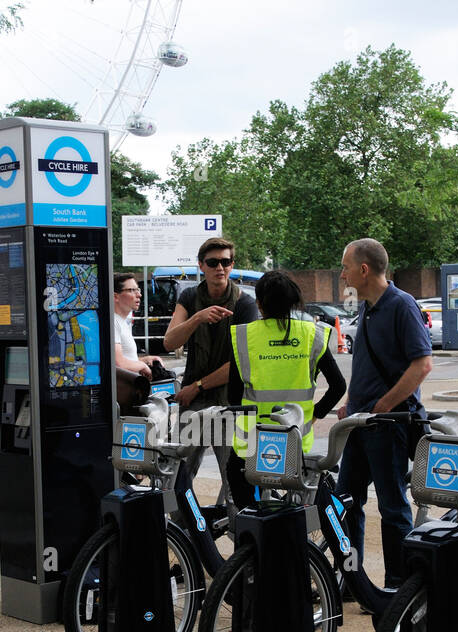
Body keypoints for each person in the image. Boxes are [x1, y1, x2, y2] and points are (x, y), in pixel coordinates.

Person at [334, 238, 432, 588]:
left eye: (346, 267)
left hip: (388, 424)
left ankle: (397, 587)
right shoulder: (366, 306)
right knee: (347, 502)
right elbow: (368, 364)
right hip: (360, 421)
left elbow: (422, 365)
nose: (342, 274)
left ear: (363, 269)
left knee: (392, 508)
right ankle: (350, 578)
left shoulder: (402, 306)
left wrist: (385, 405)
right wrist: (352, 400)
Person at [225, 270, 345, 510]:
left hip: (253, 440)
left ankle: (253, 528)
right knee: (299, 499)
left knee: (236, 476)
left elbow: (232, 396)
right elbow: (338, 386)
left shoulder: (244, 337)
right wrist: (315, 413)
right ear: (292, 303)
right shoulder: (312, 334)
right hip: (296, 437)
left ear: (259, 303)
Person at [163, 237, 258, 481]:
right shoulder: (189, 298)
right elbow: (170, 342)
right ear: (201, 265)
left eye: (225, 262)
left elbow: (240, 364)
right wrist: (197, 318)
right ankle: (187, 521)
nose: (220, 268)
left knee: (235, 485)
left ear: (232, 264)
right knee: (177, 478)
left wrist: (196, 386)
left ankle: (233, 521)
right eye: (213, 262)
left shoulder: (244, 303)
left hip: (230, 404)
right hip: (192, 404)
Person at [112, 273, 163, 379]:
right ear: (115, 296)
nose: (139, 295)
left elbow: (126, 359)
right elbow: (118, 363)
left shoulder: (123, 321)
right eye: (131, 290)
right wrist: (142, 366)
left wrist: (146, 360)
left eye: (138, 290)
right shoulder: (113, 321)